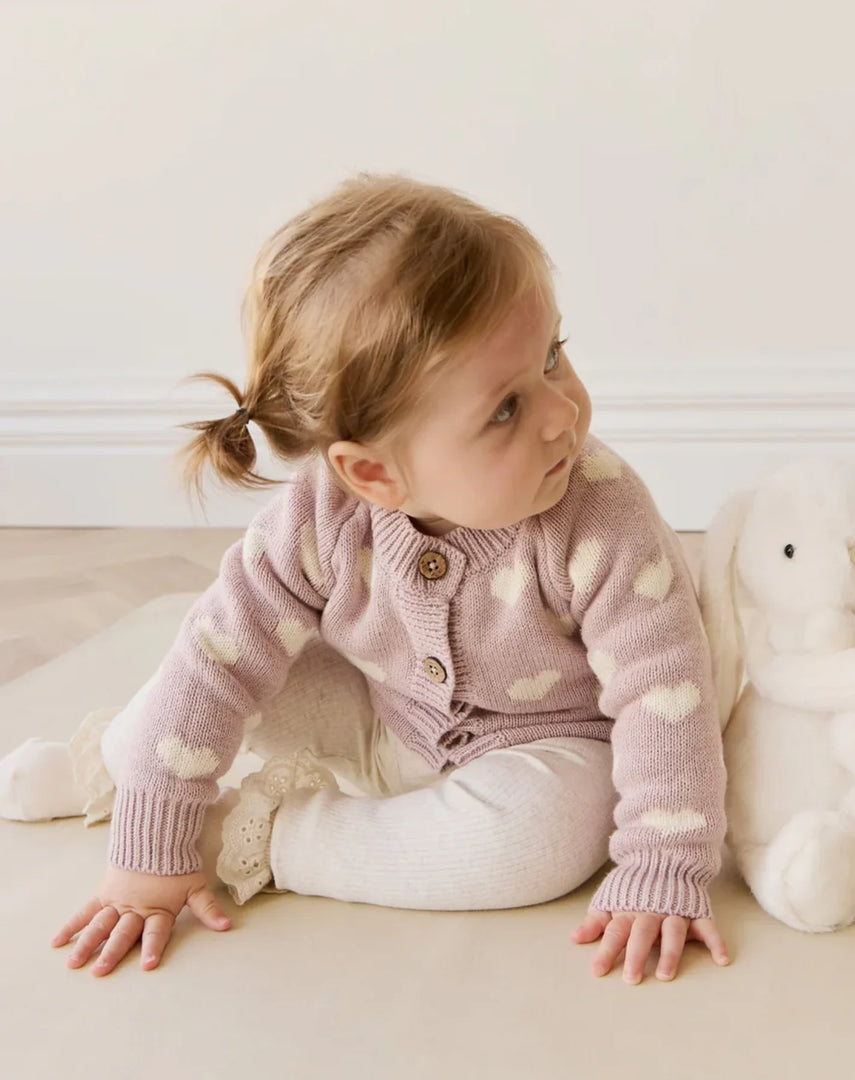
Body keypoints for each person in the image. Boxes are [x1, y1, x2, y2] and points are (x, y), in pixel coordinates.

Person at [0, 174, 731, 985]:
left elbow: (665, 687)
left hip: (540, 742)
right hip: (377, 709)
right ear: (373, 473)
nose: (563, 412)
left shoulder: (600, 512)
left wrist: (666, 862)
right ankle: (114, 773)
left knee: (540, 842)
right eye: (505, 409)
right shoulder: (322, 514)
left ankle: (263, 835)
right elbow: (219, 656)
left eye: (554, 356)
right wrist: (147, 853)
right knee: (200, 681)